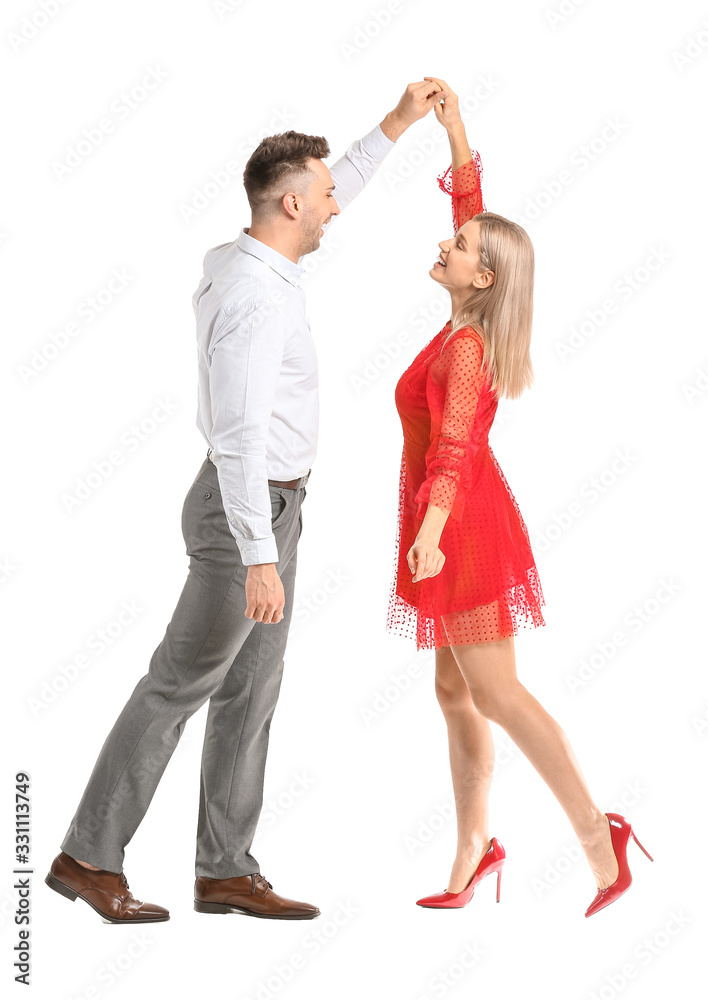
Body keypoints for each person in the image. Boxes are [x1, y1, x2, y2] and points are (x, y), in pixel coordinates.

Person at [45, 79, 450, 924]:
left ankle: (224, 867)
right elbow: (235, 437)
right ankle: (88, 855)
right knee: (180, 684)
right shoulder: (256, 298)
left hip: (278, 508)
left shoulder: (245, 254)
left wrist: (401, 124)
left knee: (252, 692)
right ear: (294, 204)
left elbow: (328, 182)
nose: (338, 204)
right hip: (247, 515)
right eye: (328, 194)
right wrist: (258, 553)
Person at [385, 78, 654, 917]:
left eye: (460, 244)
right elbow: (477, 209)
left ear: (484, 276)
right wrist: (455, 126)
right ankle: (476, 846)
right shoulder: (464, 319)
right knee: (454, 690)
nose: (448, 241)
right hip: (448, 518)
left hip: (459, 525)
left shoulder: (465, 348)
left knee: (496, 692)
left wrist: (428, 532)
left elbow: (457, 450)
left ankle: (595, 835)